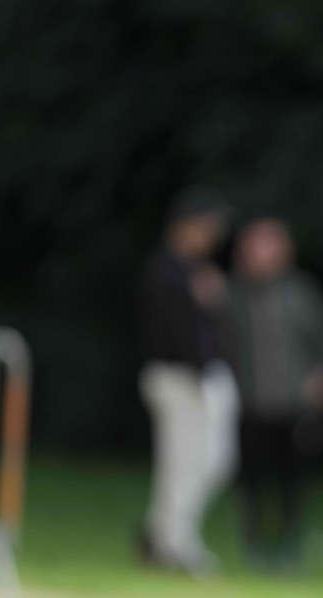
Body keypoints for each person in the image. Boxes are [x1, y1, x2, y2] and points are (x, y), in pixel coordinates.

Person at [221, 217, 323, 568]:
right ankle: (253, 544)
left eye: (270, 245)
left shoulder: (301, 292)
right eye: (255, 246)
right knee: (250, 479)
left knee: (293, 480)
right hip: (246, 403)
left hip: (294, 405)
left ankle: (289, 546)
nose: (263, 254)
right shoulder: (230, 294)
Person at [136, 187, 239, 576]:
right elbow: (174, 329)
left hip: (202, 375)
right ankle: (175, 543)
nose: (212, 237)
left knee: (212, 462)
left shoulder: (197, 271)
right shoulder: (165, 270)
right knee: (183, 463)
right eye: (206, 227)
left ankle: (162, 534)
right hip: (178, 377)